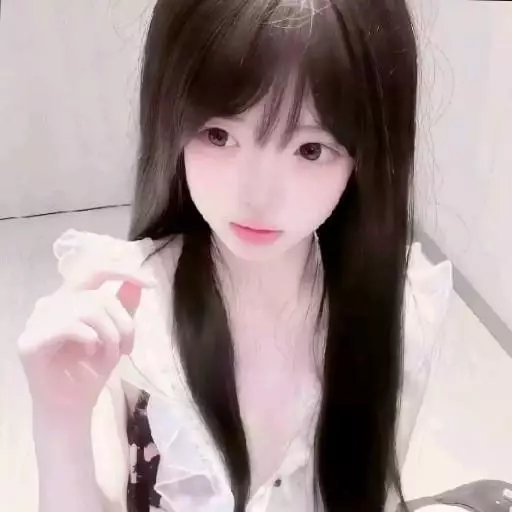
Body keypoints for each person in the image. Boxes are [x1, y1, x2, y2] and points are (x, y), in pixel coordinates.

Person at [17, 0, 420, 510]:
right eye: (218, 134)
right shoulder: (127, 311)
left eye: (310, 149)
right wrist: (59, 422)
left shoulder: (396, 307)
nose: (256, 197)